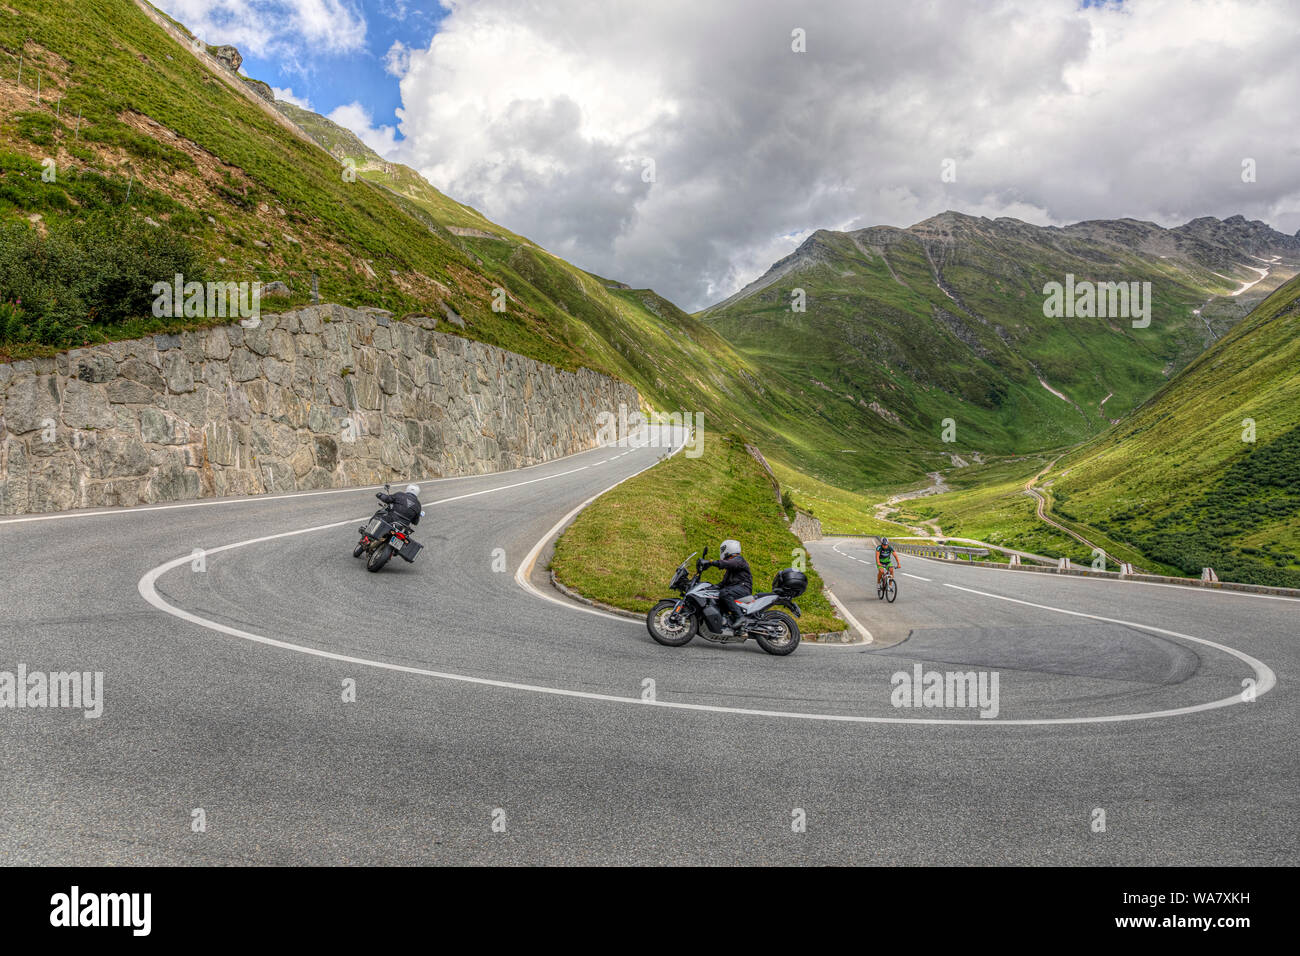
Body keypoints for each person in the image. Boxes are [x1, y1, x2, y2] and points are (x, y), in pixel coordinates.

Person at [701, 539, 752, 629]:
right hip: (736, 588)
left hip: (743, 588)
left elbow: (727, 563)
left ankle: (740, 617)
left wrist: (711, 562)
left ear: (729, 548)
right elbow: (724, 583)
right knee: (718, 595)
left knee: (725, 593)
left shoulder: (738, 560)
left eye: (722, 549)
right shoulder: (731, 568)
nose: (721, 552)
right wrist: (711, 587)